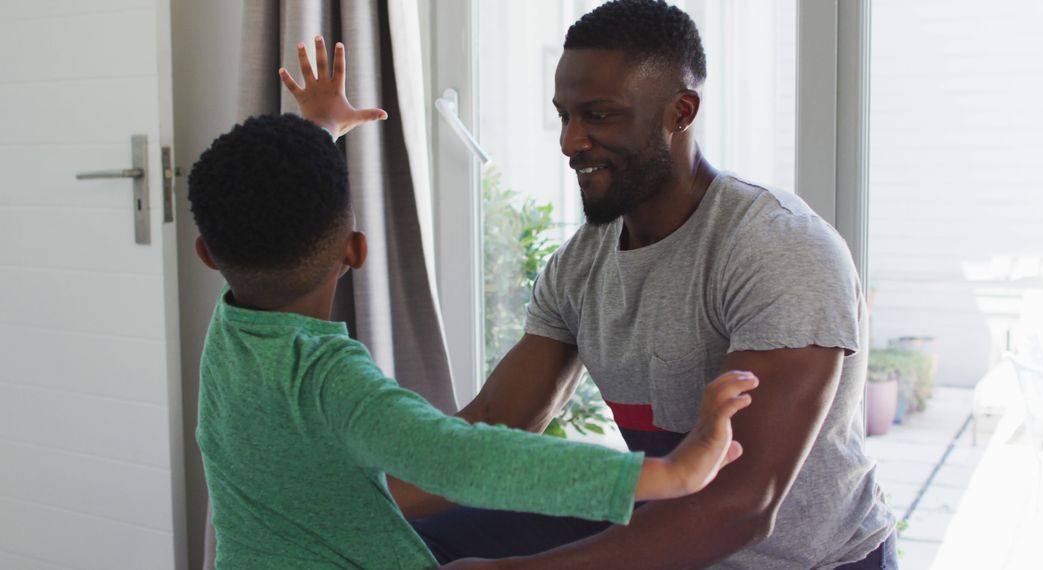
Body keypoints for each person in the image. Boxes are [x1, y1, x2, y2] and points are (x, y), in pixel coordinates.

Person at [191, 35, 758, 569]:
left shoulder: (230, 337)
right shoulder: (329, 381)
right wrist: (674, 474)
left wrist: (319, 129)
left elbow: (257, 210)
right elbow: (466, 461)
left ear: (208, 254)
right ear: (356, 251)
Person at [405, 1, 898, 568]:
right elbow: (492, 423)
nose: (570, 141)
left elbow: (745, 504)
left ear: (680, 111)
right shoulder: (581, 264)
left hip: (806, 559)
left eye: (599, 116)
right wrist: (344, 494)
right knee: (423, 537)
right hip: (672, 524)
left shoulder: (777, 248)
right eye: (564, 115)